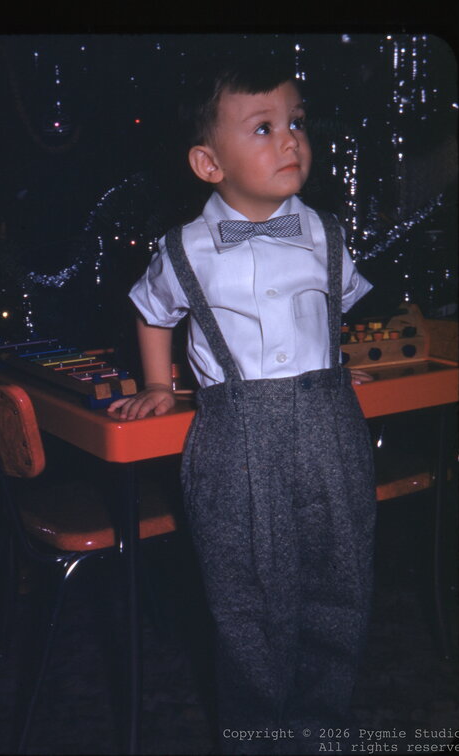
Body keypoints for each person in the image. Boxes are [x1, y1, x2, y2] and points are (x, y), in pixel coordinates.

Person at [108, 55, 377, 755]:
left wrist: (332, 367)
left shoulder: (324, 232)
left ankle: (322, 732)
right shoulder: (186, 249)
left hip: (330, 430)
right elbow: (151, 311)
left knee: (340, 586)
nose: (290, 140)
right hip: (235, 440)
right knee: (248, 604)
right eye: (263, 128)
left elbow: (334, 307)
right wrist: (159, 385)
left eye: (296, 122)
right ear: (208, 163)